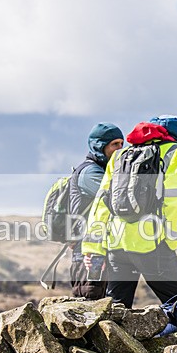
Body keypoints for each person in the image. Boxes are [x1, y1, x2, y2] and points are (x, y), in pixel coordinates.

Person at [81, 116, 177, 308]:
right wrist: (168, 240)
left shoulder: (121, 155)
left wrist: (93, 248)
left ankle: (111, 339)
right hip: (152, 244)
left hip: (117, 246)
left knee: (116, 311)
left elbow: (102, 204)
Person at [68, 123, 124, 299]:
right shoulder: (90, 173)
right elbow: (116, 198)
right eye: (115, 144)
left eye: (122, 144)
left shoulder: (103, 170)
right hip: (88, 253)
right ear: (100, 146)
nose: (120, 149)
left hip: (97, 249)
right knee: (89, 304)